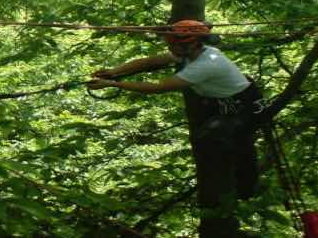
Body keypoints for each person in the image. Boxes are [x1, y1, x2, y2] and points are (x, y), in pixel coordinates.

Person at [88, 20, 260, 201]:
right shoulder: (192, 53)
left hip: (243, 107)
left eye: (173, 45)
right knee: (213, 140)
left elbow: (158, 87)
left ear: (191, 44)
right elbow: (150, 61)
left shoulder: (206, 63)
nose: (169, 48)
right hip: (223, 102)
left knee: (228, 144)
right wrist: (114, 72)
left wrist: (113, 84)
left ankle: (243, 192)